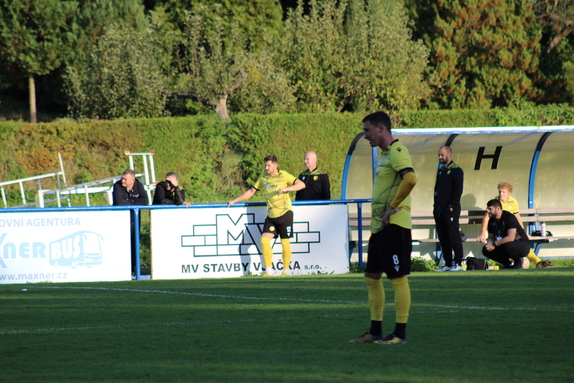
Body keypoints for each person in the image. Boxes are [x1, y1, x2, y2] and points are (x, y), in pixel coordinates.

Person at [349, 111, 417, 345]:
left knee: (397, 278)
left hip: (394, 225)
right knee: (371, 276)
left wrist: (393, 207)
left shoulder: (398, 151)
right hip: (380, 227)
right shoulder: (385, 155)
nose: (365, 136)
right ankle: (375, 331)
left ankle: (400, 333)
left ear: (381, 129)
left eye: (367, 131)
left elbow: (411, 179)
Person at [227, 155, 305, 277]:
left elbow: (301, 185)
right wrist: (234, 200)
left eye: (268, 165)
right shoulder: (263, 178)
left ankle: (285, 271)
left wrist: (286, 189)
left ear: (275, 165)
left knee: (285, 243)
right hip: (271, 215)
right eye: (265, 165)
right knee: (264, 240)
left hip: (285, 213)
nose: (266, 168)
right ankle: (268, 271)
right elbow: (252, 191)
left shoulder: (284, 175)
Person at [477, 182, 552, 268]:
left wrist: (522, 232)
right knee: (488, 248)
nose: (501, 194)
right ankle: (508, 263)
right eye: (499, 191)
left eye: (503, 192)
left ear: (509, 193)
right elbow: (486, 218)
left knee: (508, 243)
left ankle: (526, 262)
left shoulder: (511, 208)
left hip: (511, 233)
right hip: (502, 234)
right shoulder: (494, 204)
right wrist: (485, 237)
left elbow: (516, 216)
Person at [433, 145, 465, 272]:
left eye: (442, 155)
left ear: (449, 154)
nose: (440, 157)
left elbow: (458, 190)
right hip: (439, 209)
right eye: (439, 155)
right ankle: (448, 262)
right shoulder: (441, 170)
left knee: (453, 235)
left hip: (450, 208)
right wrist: (435, 207)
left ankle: (458, 263)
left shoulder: (456, 170)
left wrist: (452, 204)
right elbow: (436, 189)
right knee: (443, 236)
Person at [112, 169, 149, 274]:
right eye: (122, 178)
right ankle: (122, 269)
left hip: (134, 221)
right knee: (122, 245)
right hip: (120, 221)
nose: (122, 181)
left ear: (133, 180)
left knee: (134, 244)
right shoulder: (117, 186)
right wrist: (134, 203)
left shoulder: (139, 186)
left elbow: (145, 201)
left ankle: (134, 269)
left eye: (125, 179)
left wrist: (129, 202)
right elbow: (119, 202)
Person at [482, 199, 530, 269]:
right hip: (503, 243)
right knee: (485, 249)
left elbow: (511, 237)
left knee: (507, 245)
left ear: (498, 208)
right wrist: (490, 243)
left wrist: (495, 244)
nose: (488, 211)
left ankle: (518, 263)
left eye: (490, 209)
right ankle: (508, 263)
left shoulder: (509, 217)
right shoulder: (492, 220)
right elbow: (491, 236)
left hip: (521, 244)